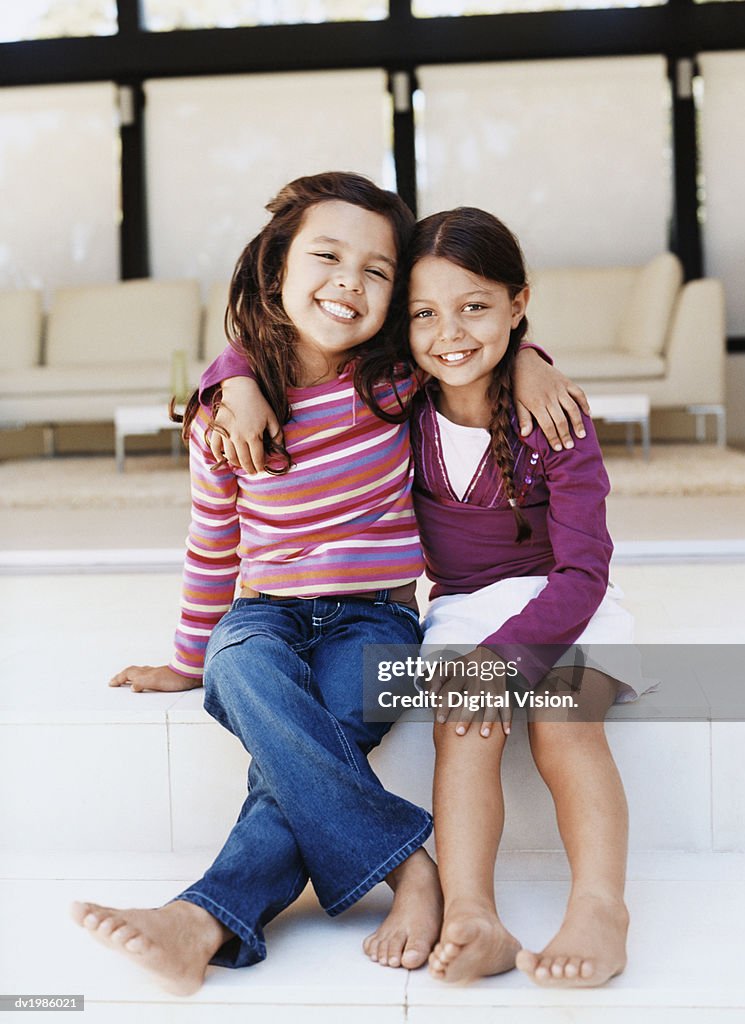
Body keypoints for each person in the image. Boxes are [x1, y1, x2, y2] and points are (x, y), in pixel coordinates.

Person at [70, 173, 588, 994]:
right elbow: (212, 542)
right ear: (276, 266)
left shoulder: (394, 384)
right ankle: (407, 866)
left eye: (378, 271)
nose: (350, 281)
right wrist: (187, 656)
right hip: (263, 614)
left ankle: (199, 921)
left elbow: (466, 341)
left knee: (326, 725)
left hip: (372, 619)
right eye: (327, 256)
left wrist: (528, 358)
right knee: (239, 670)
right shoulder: (224, 416)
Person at [404, 207, 654, 989]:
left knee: (563, 720)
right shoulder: (398, 409)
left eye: (474, 305)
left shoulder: (554, 415)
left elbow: (585, 571)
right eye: (424, 313)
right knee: (463, 727)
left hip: (569, 601)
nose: (450, 330)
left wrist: (508, 657)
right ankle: (471, 911)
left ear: (517, 304)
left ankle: (598, 908)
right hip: (466, 608)